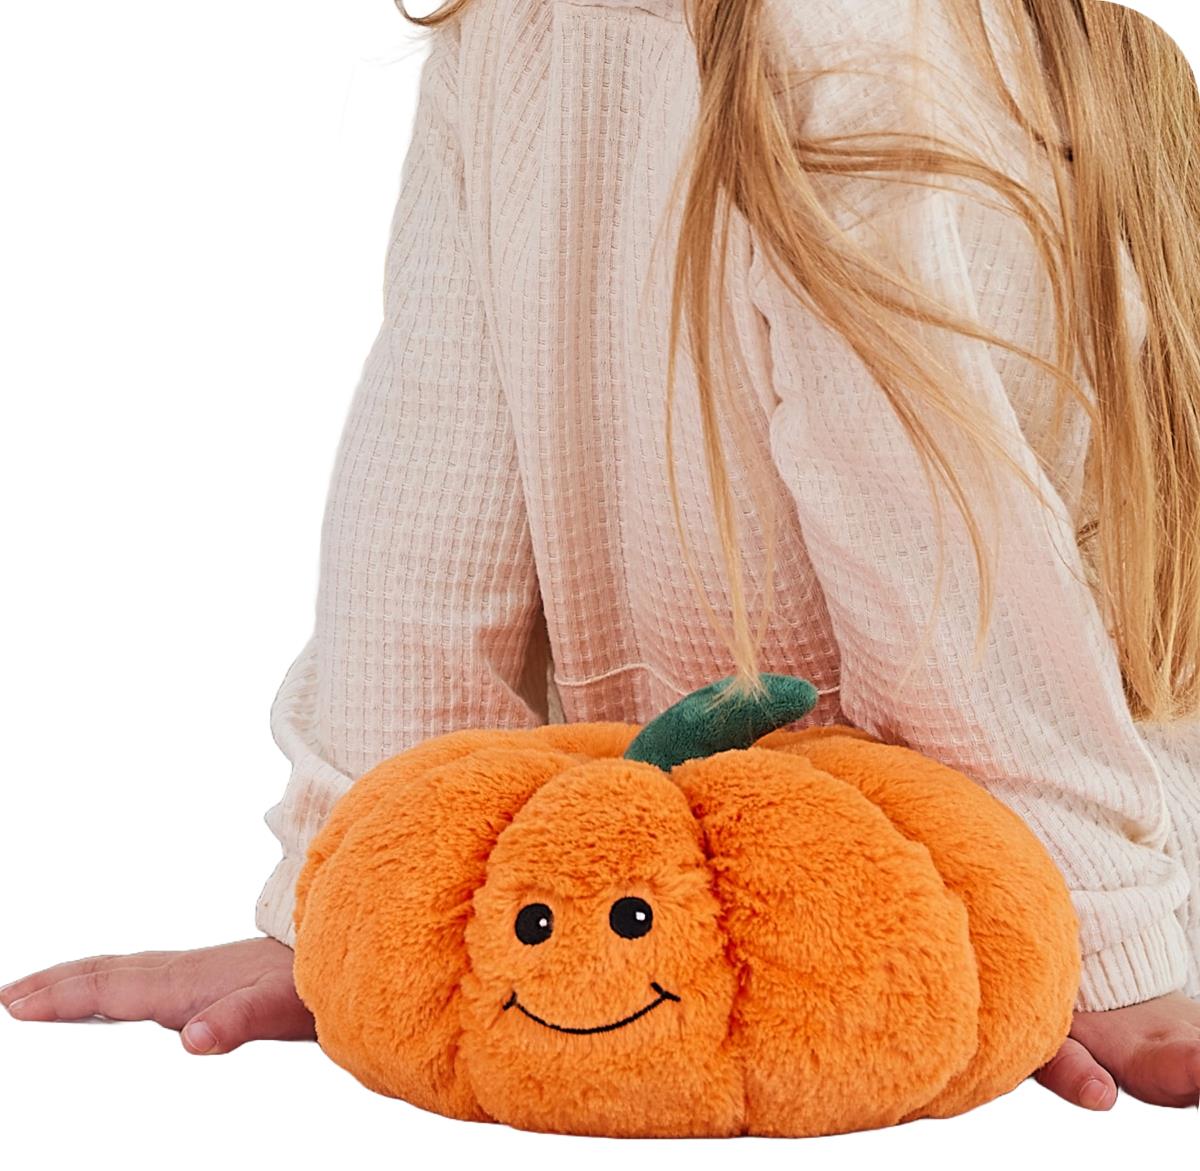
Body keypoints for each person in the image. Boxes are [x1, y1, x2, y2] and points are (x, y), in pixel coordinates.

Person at [3, 0, 1199, 1112]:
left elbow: (935, 538)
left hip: (1000, 841)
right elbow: (429, 503)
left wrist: (1077, 927)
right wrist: (363, 904)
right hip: (679, 887)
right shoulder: (516, 30)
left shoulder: (852, 31)